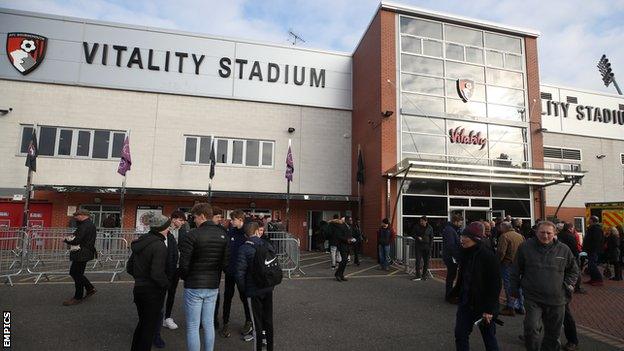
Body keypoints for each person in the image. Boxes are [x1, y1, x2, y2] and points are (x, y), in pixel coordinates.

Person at [511, 221, 579, 351]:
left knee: (553, 334)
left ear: (555, 233)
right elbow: (515, 270)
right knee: (530, 329)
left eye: (549, 233)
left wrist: (567, 285)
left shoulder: (563, 249)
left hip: (557, 299)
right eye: (542, 232)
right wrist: (513, 290)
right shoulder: (525, 247)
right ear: (536, 232)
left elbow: (574, 270)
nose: (545, 236)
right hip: (533, 298)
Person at [178, 203, 229, 351]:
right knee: (208, 324)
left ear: (202, 216)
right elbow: (225, 262)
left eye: (194, 217)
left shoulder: (192, 235)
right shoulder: (223, 235)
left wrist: (186, 277)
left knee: (193, 326)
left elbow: (184, 263)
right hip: (212, 284)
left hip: (194, 285)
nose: (193, 220)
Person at [449, 222, 501, 351]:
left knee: (488, 337)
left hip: (483, 305)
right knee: (460, 335)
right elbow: (463, 277)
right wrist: (454, 293)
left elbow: (495, 284)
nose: (462, 239)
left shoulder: (488, 256)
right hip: (466, 303)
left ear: (475, 239)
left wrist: (489, 309)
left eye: (465, 236)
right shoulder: (465, 253)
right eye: (462, 236)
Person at [127, 213, 170, 351]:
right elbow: (157, 274)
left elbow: (129, 267)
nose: (169, 229)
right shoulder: (159, 246)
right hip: (152, 292)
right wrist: (166, 284)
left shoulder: (141, 242)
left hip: (139, 289)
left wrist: (140, 277)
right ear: (162, 228)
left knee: (143, 324)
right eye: (167, 227)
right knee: (148, 329)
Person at [236, 221, 276, 351]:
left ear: (246, 234)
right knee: (268, 321)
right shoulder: (266, 244)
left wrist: (244, 290)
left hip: (253, 291)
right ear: (256, 231)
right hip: (268, 288)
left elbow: (240, 273)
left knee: (257, 323)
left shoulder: (244, 248)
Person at [221, 209, 253, 340]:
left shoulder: (247, 233)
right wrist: (226, 266)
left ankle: (249, 321)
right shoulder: (230, 231)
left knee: (245, 298)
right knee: (227, 297)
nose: (231, 221)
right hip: (230, 272)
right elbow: (226, 250)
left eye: (233, 219)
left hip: (243, 274)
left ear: (240, 220)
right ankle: (225, 323)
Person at [62, 209, 97, 306]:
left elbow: (77, 240)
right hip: (85, 252)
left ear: (83, 215)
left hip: (81, 252)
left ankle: (78, 297)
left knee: (76, 273)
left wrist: (66, 240)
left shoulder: (84, 226)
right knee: (77, 273)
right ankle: (90, 288)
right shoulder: (88, 224)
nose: (75, 217)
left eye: (77, 216)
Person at [496, 221, 525, 317]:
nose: (499, 229)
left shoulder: (504, 236)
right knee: (518, 286)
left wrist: (497, 262)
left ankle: (510, 307)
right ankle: (521, 306)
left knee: (508, 286)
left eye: (500, 227)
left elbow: (501, 252)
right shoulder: (520, 236)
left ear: (504, 228)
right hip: (518, 265)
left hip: (507, 264)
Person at [442, 214, 463, 302]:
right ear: (456, 221)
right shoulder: (450, 230)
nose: (461, 224)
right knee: (451, 276)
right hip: (451, 257)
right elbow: (451, 245)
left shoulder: (452, 229)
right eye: (460, 222)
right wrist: (457, 257)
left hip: (451, 256)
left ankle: (450, 294)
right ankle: (449, 295)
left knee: (452, 275)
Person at [583, 216, 604, 286]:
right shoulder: (592, 228)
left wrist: (591, 248)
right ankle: (593, 279)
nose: (588, 220)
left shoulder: (596, 229)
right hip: (590, 250)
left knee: (592, 265)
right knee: (590, 265)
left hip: (593, 250)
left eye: (590, 219)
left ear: (592, 220)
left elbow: (596, 241)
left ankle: (599, 279)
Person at [411, 216, 433, 281]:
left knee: (426, 262)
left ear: (426, 221)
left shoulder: (430, 228)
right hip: (419, 246)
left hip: (427, 247)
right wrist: (417, 237)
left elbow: (431, 237)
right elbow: (413, 234)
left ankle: (424, 275)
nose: (421, 222)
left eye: (422, 221)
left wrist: (430, 247)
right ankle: (418, 275)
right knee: (418, 261)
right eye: (420, 221)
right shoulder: (416, 226)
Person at [335, 216, 355, 281]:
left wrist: (352, 239)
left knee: (345, 261)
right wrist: (347, 240)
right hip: (342, 246)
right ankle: (337, 274)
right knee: (344, 260)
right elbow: (339, 236)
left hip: (348, 246)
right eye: (350, 220)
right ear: (346, 221)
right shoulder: (341, 227)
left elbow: (350, 235)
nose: (351, 221)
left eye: (351, 220)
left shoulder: (350, 227)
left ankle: (341, 275)